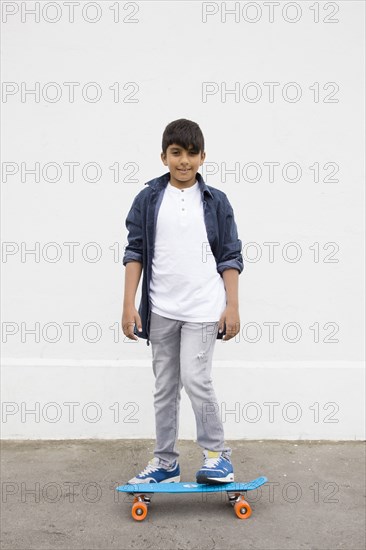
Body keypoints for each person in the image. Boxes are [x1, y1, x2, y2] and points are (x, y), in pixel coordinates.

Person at [121, 118, 243, 484]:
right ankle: (165, 462)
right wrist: (129, 304)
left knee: (196, 379)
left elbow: (230, 255)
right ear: (164, 157)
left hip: (204, 310)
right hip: (160, 310)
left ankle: (217, 455)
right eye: (176, 153)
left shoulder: (215, 201)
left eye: (192, 153)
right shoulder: (148, 199)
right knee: (165, 386)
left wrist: (232, 305)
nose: (184, 161)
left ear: (203, 157)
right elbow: (135, 251)